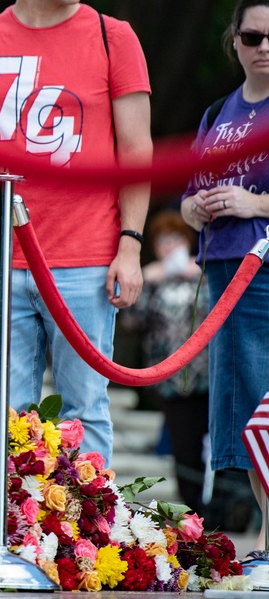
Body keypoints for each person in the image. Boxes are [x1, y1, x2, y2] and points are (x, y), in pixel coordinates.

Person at [0, 0, 152, 464]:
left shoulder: (113, 36)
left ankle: (92, 536)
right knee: (7, 412)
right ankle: (14, 528)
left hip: (86, 256)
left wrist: (131, 244)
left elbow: (137, 150)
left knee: (85, 410)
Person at [181, 0, 269, 554]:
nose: (264, 46)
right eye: (253, 35)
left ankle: (267, 537)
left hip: (263, 272)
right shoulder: (218, 111)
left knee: (264, 401)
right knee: (241, 406)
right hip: (222, 275)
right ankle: (265, 534)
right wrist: (198, 207)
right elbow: (186, 199)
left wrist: (254, 203)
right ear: (234, 42)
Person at [123, 210, 209, 513]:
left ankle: (227, 508)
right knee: (184, 447)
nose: (169, 246)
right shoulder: (152, 277)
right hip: (170, 377)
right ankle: (194, 509)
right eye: (162, 241)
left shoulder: (204, 273)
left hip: (208, 375)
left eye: (175, 239)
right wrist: (145, 281)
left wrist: (200, 275)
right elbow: (131, 321)